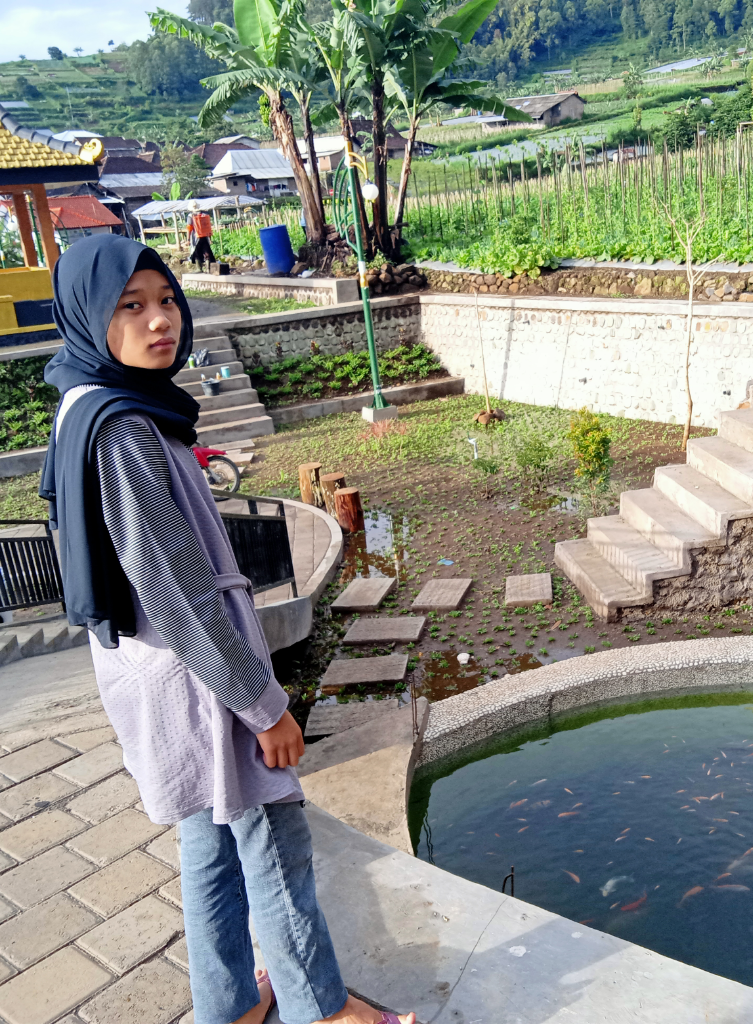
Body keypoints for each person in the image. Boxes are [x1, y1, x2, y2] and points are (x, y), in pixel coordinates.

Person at [39, 234, 415, 1024]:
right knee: (275, 848)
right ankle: (325, 1012)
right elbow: (177, 593)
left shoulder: (89, 402)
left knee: (208, 851)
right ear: (87, 318)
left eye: (167, 300)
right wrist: (264, 706)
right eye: (130, 307)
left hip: (156, 673)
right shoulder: (124, 430)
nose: (160, 322)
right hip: (200, 680)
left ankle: (230, 1006)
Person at [187, 200, 216, 270]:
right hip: (205, 236)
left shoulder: (191, 216)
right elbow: (208, 227)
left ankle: (199, 269)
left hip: (196, 237)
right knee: (206, 251)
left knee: (196, 252)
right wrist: (210, 238)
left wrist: (188, 239)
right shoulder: (205, 214)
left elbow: (189, 228)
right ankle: (208, 268)